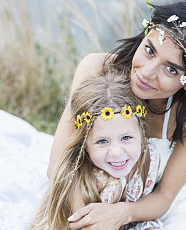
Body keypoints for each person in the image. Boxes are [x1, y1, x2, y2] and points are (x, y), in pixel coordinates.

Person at [48, 0, 186, 230]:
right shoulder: (97, 69)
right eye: (149, 51)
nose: (147, 73)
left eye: (171, 69)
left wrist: (121, 214)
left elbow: (165, 196)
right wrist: (85, 220)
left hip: (156, 202)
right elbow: (59, 166)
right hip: (89, 192)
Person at [31, 69, 162, 230]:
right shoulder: (85, 180)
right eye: (102, 141)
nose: (116, 152)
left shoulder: (150, 159)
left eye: (126, 138)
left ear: (142, 132)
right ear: (84, 144)